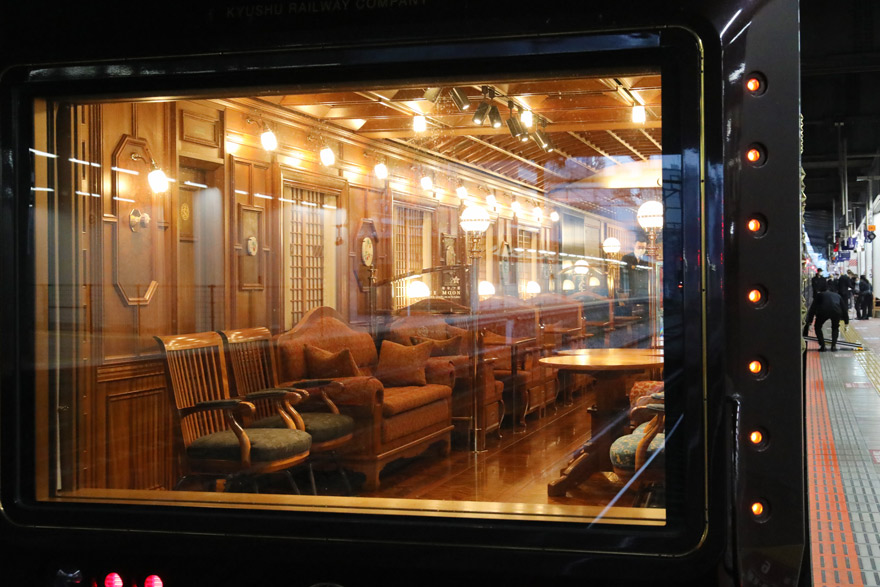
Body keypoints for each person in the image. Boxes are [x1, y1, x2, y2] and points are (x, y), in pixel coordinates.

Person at [620, 235, 650, 347]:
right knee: (632, 322)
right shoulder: (626, 259)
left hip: (646, 295)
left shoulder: (649, 259)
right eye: (639, 246)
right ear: (634, 245)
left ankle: (645, 345)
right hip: (631, 295)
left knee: (646, 322)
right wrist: (625, 293)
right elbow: (624, 277)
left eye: (643, 247)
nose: (641, 249)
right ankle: (633, 345)